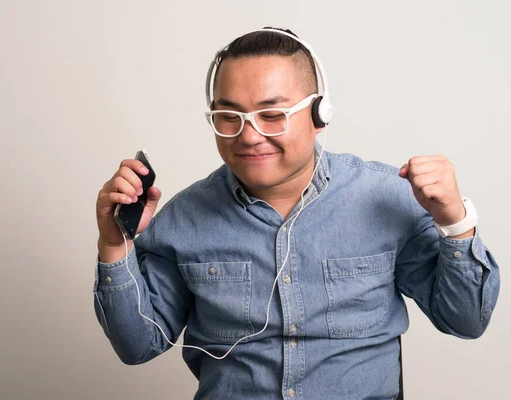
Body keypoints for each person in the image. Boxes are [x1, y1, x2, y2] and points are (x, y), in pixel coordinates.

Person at [93, 27, 500, 400]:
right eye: (228, 118)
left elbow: (466, 321)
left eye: (272, 115)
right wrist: (114, 242)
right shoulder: (183, 219)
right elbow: (137, 345)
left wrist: (455, 223)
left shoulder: (388, 199)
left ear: (319, 114)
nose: (249, 136)